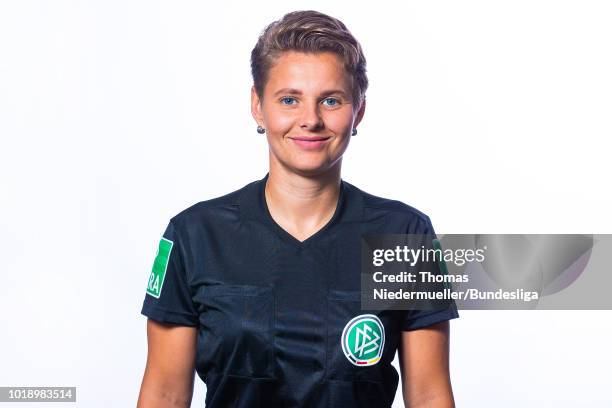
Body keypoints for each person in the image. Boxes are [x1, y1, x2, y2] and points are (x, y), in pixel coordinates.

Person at [137, 10, 459, 408]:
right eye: (289, 99)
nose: (310, 119)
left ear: (358, 111)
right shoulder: (195, 236)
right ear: (258, 106)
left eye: (331, 100)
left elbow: (429, 397)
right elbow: (165, 396)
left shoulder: (404, 235)